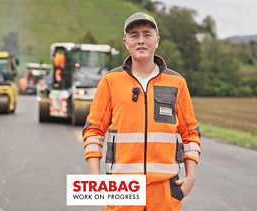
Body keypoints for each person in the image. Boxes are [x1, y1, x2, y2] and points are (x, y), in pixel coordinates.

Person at [82, 12, 201, 211]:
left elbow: (190, 134)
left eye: (147, 34)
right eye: (134, 35)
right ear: (126, 42)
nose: (141, 41)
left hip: (165, 190)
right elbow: (93, 132)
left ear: (157, 41)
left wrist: (191, 177)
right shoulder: (110, 82)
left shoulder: (177, 83)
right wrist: (96, 182)